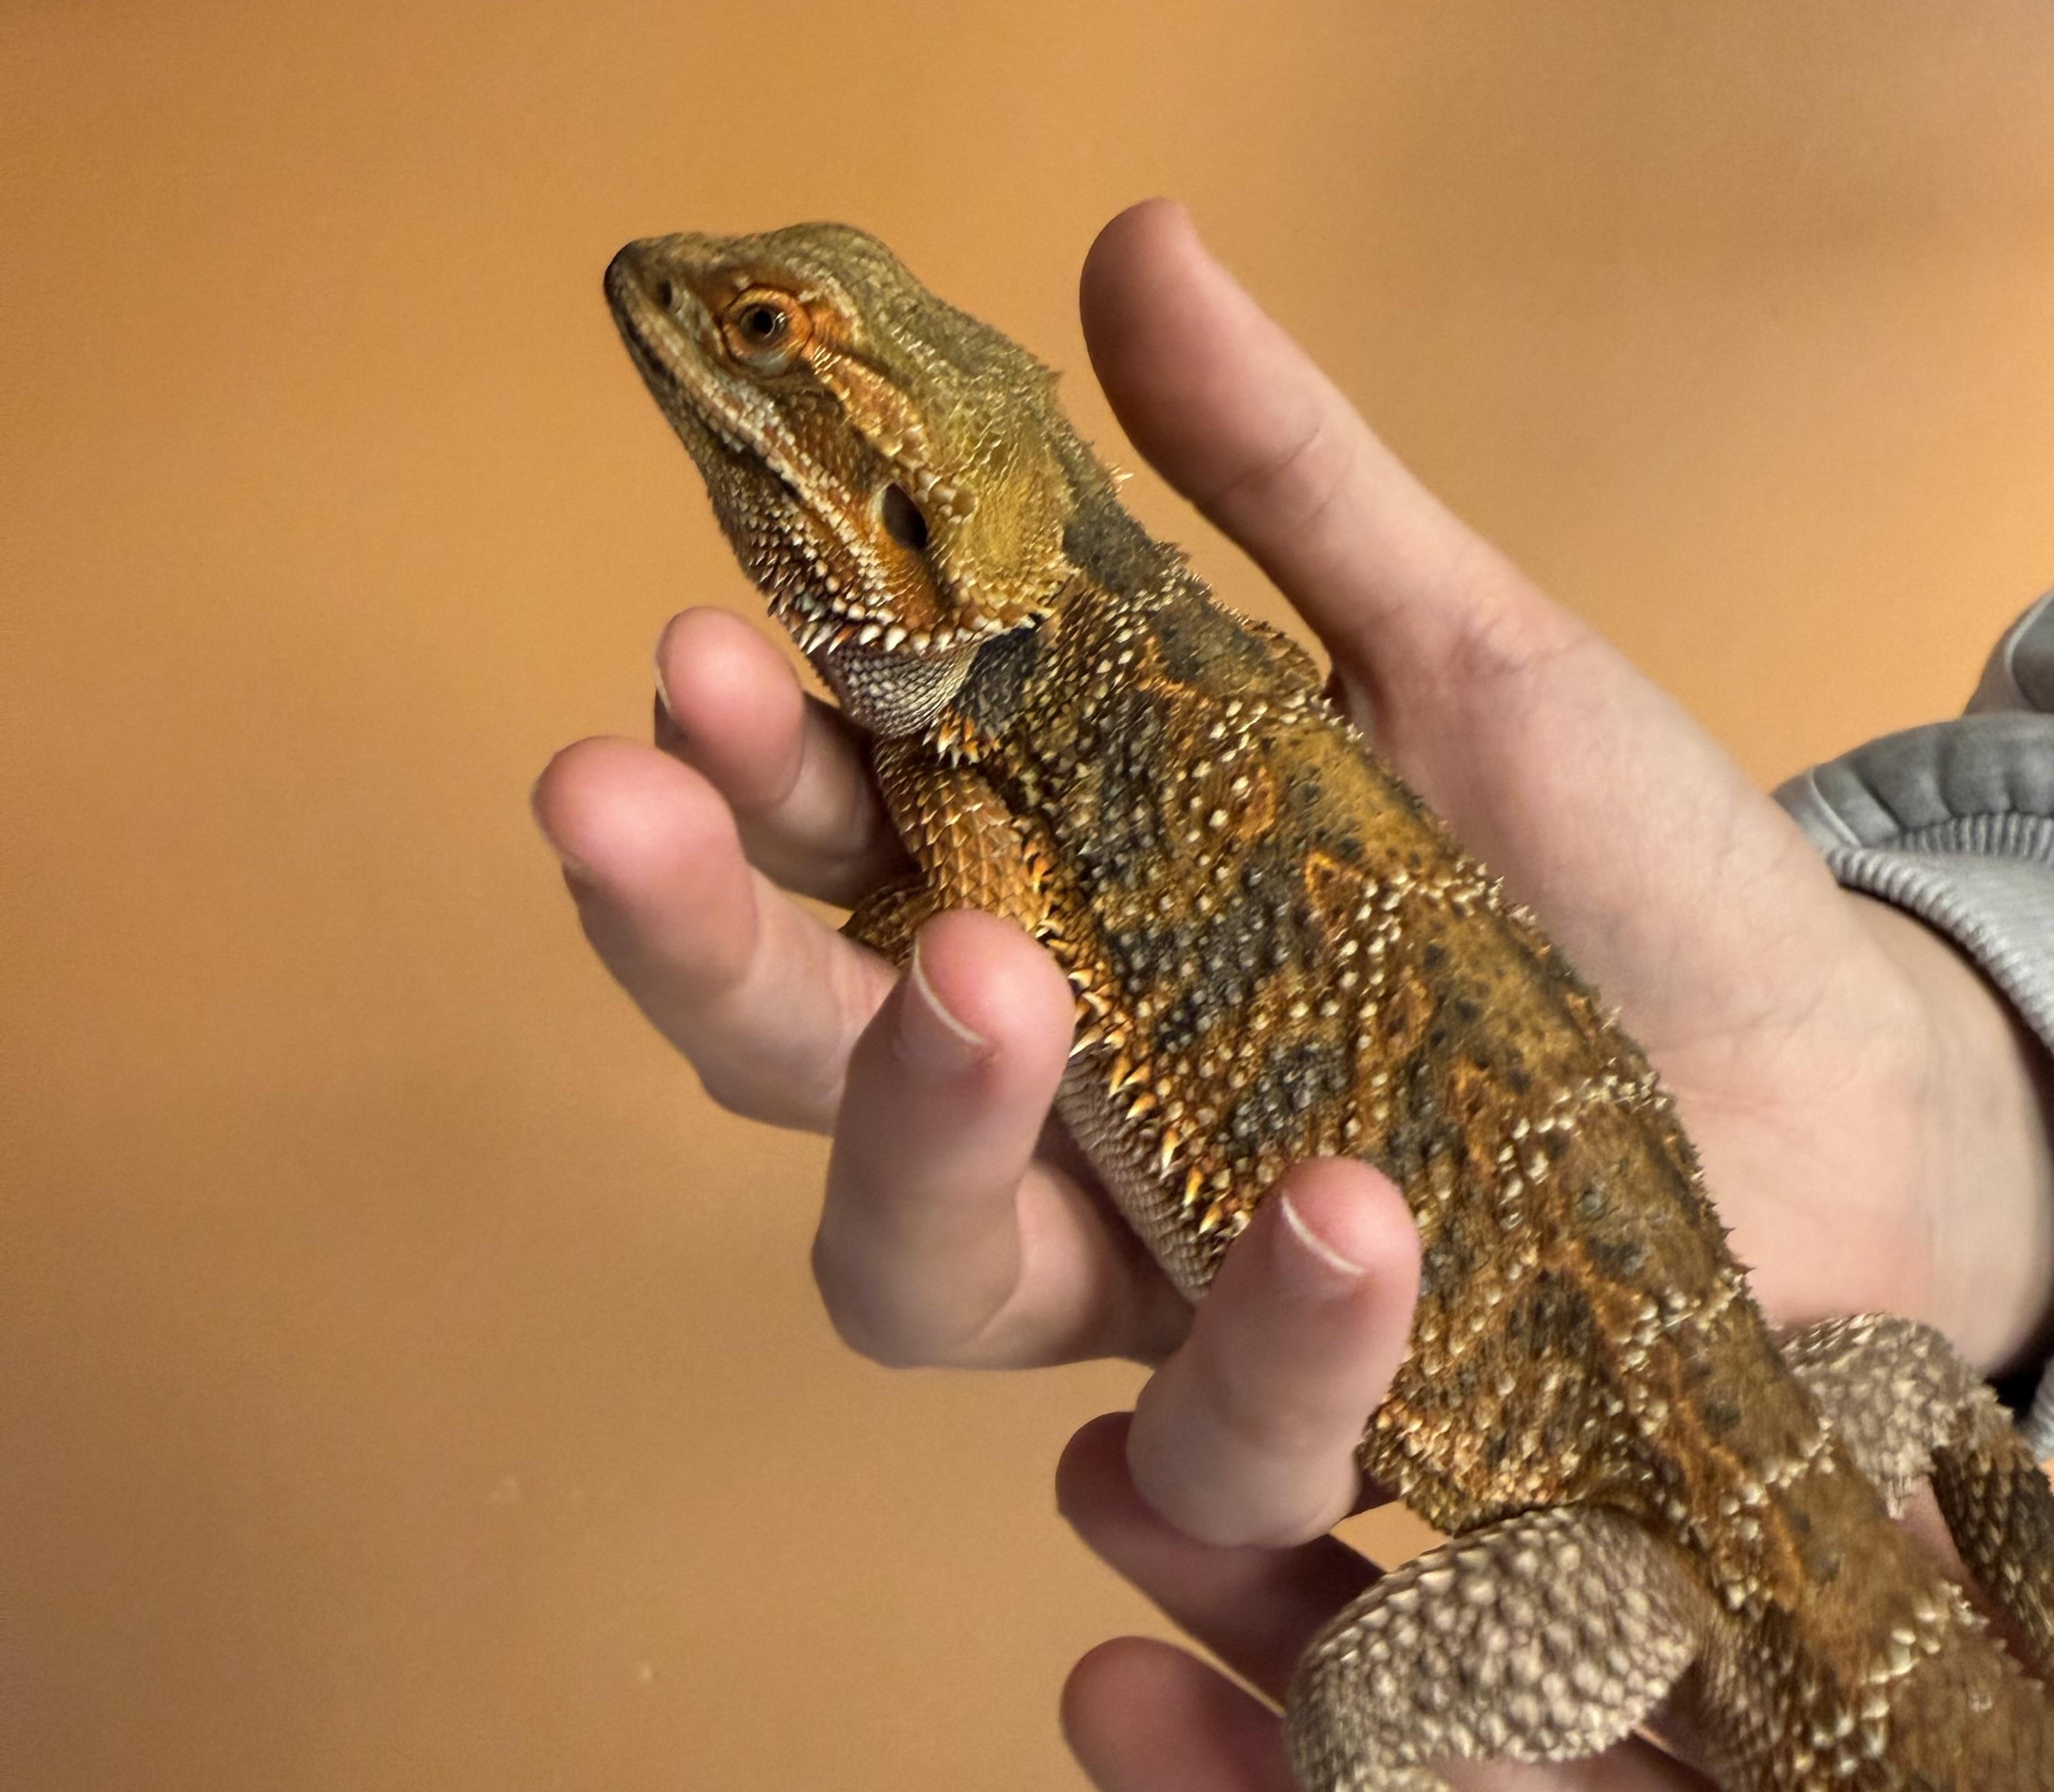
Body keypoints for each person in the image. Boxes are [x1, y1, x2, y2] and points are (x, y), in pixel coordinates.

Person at [531, 202, 2054, 1791]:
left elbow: (978, 934)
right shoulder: (1024, 717)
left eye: (763, 335)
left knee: (1361, 1720)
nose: (685, 307)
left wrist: (894, 915)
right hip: (1758, 1439)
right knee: (1916, 1383)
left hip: (1657, 1540)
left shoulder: (990, 764)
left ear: (903, 509)